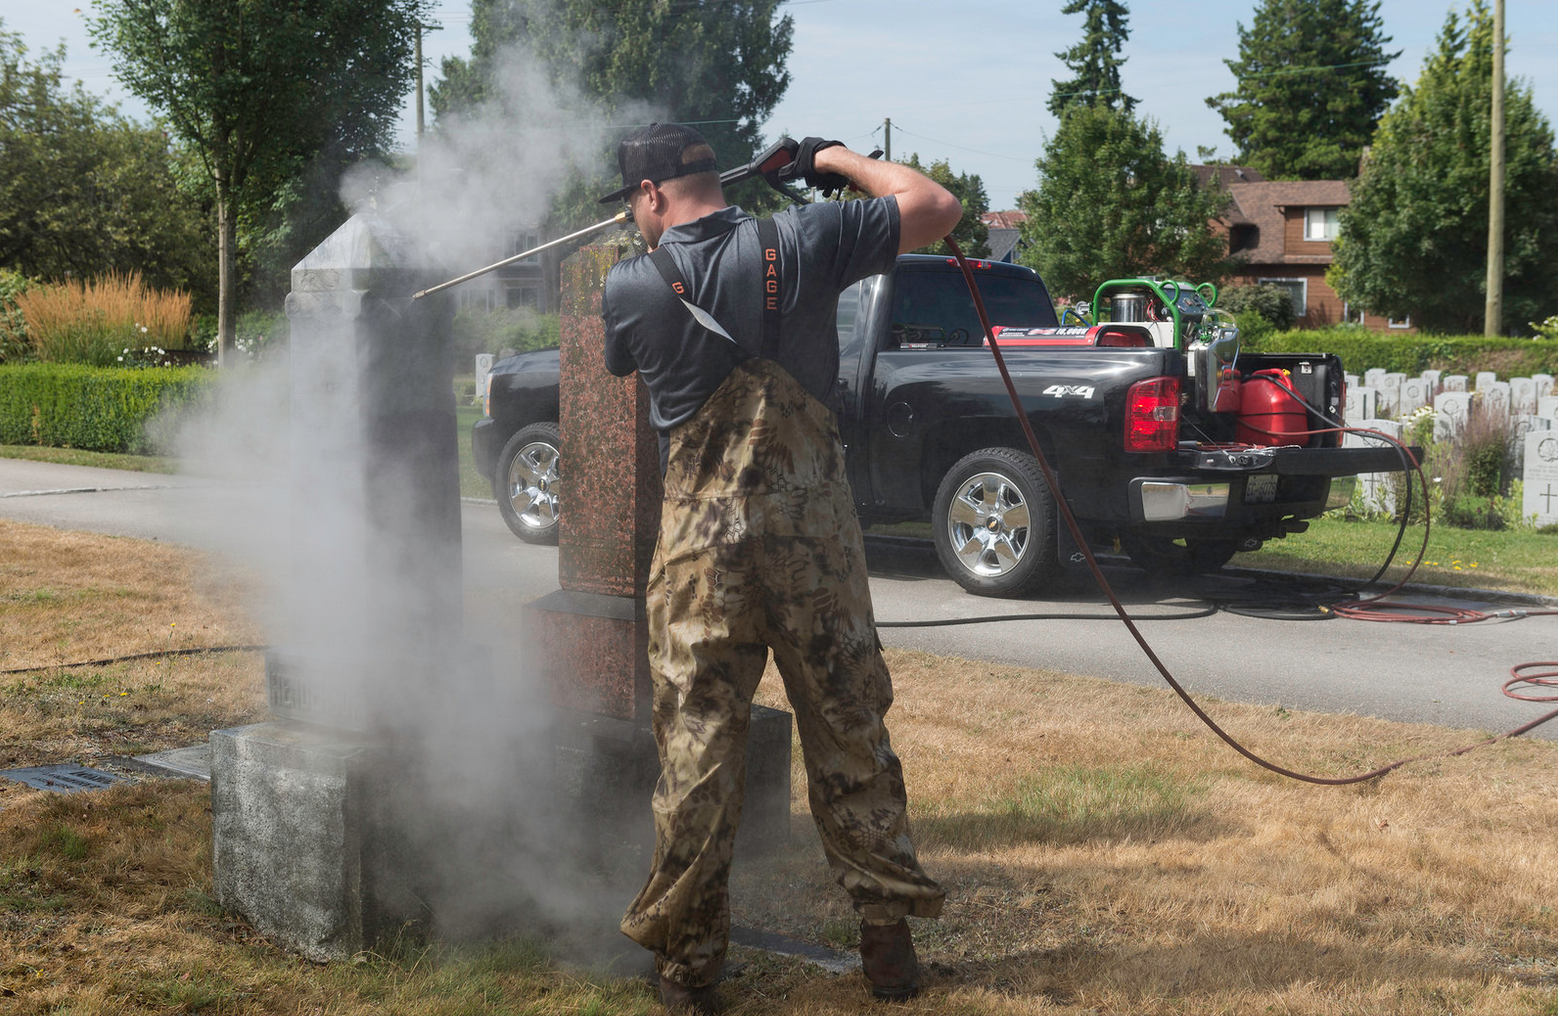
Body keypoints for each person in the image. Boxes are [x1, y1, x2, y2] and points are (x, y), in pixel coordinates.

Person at [599, 122, 962, 1012]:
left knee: (697, 752)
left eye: (634, 208)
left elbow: (620, 360)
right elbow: (935, 206)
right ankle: (886, 949)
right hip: (814, 548)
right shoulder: (804, 237)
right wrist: (832, 162)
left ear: (649, 196)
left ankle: (688, 972)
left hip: (698, 564)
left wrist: (642, 254)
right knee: (848, 728)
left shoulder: (631, 286)